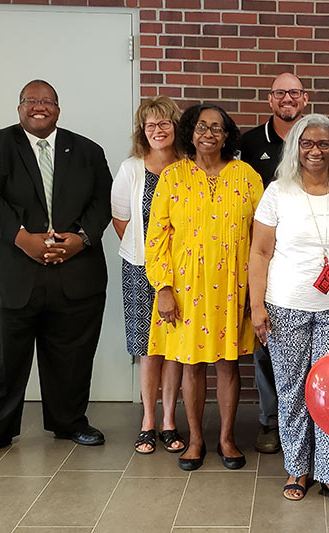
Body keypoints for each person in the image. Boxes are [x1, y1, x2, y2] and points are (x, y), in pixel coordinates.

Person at [0, 79, 112, 461]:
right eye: (31, 101)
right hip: (6, 274)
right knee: (0, 360)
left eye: (47, 102)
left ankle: (70, 422)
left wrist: (81, 239)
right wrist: (22, 238)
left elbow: (103, 199)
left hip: (72, 272)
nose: (39, 107)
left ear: (58, 109)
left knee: (72, 356)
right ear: (19, 107)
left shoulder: (88, 151)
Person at [249, 114, 329, 510]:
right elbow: (260, 252)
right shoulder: (277, 192)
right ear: (295, 146)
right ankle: (297, 467)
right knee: (292, 391)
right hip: (285, 306)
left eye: (324, 144)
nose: (315, 151)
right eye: (307, 143)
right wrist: (257, 306)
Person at [146, 104, 263, 471]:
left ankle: (227, 439)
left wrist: (257, 292)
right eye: (201, 127)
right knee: (192, 365)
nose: (208, 134)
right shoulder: (172, 177)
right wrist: (163, 286)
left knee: (229, 365)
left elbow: (262, 238)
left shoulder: (247, 176)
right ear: (190, 133)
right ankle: (195, 439)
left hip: (232, 286)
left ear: (227, 135)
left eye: (217, 127)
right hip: (183, 289)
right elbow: (157, 237)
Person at [111, 96, 185, 454]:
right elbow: (120, 220)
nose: (157, 130)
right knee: (147, 348)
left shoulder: (189, 166)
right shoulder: (131, 168)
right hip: (140, 269)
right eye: (150, 125)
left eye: (164, 123)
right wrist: (148, 254)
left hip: (184, 273)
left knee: (172, 347)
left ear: (175, 127)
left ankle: (170, 420)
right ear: (143, 130)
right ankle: (148, 421)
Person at [240, 72, 309, 454]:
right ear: (270, 100)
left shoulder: (318, 137)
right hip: (265, 257)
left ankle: (311, 421)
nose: (288, 98)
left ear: (305, 98)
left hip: (309, 261)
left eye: (294, 92)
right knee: (267, 344)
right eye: (280, 93)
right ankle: (270, 422)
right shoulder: (249, 143)